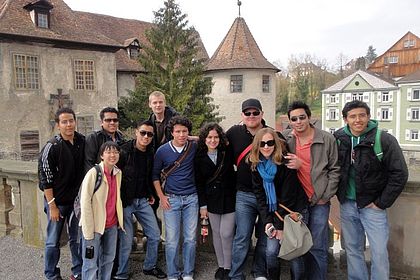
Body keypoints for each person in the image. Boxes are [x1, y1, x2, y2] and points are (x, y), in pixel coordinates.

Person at [334, 100, 408, 280]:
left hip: (372, 206)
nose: (357, 120)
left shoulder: (383, 139)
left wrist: (381, 202)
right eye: (352, 116)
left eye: (362, 115)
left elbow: (400, 173)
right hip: (348, 204)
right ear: (345, 119)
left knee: (379, 252)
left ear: (368, 117)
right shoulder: (339, 138)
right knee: (353, 249)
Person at [282, 101, 340, 280]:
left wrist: (325, 195)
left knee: (318, 247)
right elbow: (264, 140)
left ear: (309, 118)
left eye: (302, 117)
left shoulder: (325, 138)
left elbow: (335, 169)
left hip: (319, 200)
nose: (298, 122)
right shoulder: (286, 138)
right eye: (294, 119)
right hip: (297, 202)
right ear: (290, 121)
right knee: (298, 245)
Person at [250, 128, 307, 280]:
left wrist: (280, 227)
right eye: (262, 143)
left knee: (294, 252)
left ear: (276, 143)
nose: (266, 147)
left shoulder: (285, 162)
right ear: (257, 145)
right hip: (272, 212)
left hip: (292, 210)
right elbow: (260, 196)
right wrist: (268, 223)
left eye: (270, 143)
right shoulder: (256, 165)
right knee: (271, 252)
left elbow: (288, 197)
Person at [114, 120, 166, 279]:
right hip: (125, 202)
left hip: (142, 200)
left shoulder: (151, 153)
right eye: (143, 132)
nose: (146, 136)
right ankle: (121, 273)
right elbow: (113, 176)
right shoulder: (123, 151)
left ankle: (149, 266)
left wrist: (150, 193)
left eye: (150, 134)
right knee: (126, 239)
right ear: (136, 132)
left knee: (155, 234)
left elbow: (150, 176)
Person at [227, 98, 273, 280]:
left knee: (264, 237)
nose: (251, 116)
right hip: (244, 194)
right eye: (248, 113)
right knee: (242, 237)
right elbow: (212, 140)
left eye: (255, 113)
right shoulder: (234, 133)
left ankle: (259, 272)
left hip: (268, 195)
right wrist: (190, 138)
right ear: (242, 115)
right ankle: (236, 273)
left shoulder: (271, 135)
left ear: (262, 114)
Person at [39, 107, 85, 280]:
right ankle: (51, 274)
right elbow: (45, 179)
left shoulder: (82, 141)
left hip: (76, 202)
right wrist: (52, 206)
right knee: (53, 240)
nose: (68, 125)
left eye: (71, 121)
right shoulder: (51, 147)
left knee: (77, 239)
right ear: (58, 125)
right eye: (64, 122)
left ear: (75, 122)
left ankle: (78, 271)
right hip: (56, 202)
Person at [152, 116, 198, 280]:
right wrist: (161, 197)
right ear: (171, 132)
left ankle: (187, 273)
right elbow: (155, 176)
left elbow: (213, 139)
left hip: (192, 198)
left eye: (184, 131)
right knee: (171, 240)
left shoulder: (193, 146)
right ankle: (173, 273)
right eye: (177, 131)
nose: (181, 135)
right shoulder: (162, 150)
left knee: (190, 239)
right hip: (171, 198)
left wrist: (192, 137)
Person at [194, 123, 236, 280]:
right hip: (211, 201)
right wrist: (202, 205)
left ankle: (229, 265)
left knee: (226, 233)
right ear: (204, 139)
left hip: (230, 198)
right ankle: (221, 266)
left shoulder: (227, 152)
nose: (213, 140)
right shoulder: (198, 157)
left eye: (216, 137)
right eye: (209, 137)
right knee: (217, 234)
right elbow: (199, 182)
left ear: (221, 138)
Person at [80, 141, 124, 280]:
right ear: (101, 155)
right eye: (108, 152)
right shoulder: (94, 173)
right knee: (91, 264)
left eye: (115, 152)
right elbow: (85, 202)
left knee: (108, 260)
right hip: (94, 226)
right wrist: (88, 230)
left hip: (111, 224)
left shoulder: (118, 173)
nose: (112, 155)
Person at [85, 107, 125, 173]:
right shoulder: (94, 137)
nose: (112, 123)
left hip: (117, 177)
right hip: (100, 177)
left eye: (115, 120)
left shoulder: (121, 138)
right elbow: (89, 163)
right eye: (108, 120)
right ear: (101, 122)